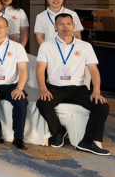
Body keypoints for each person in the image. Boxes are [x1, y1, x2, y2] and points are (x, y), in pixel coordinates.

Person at [36, 14, 110, 155]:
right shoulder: (46, 46)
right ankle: (58, 131)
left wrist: (96, 91)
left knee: (101, 106)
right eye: (61, 24)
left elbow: (93, 70)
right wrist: (43, 89)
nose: (65, 27)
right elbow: (40, 69)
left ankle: (87, 141)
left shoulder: (85, 46)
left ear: (73, 26)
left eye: (69, 24)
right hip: (55, 88)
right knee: (42, 103)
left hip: (78, 90)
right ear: (55, 27)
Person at [0, 16, 30, 150]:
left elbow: (23, 70)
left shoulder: (17, 47)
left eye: (0, 27)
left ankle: (18, 138)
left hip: (12, 85)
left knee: (21, 101)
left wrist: (20, 88)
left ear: (7, 29)